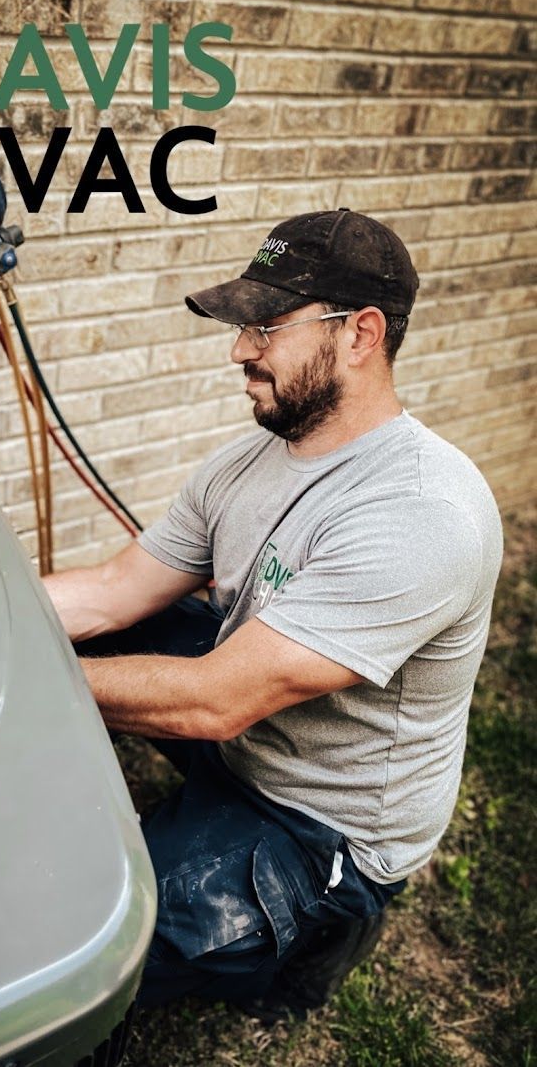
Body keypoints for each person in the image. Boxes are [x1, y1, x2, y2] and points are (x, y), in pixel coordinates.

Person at [42, 208, 503, 1013]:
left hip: (320, 826)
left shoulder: (427, 511)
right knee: (116, 630)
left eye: (265, 326)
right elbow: (115, 591)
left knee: (81, 950)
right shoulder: (247, 461)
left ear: (360, 335)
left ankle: (301, 952)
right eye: (240, 324)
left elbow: (215, 701)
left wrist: (13, 676)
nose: (239, 350)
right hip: (246, 726)